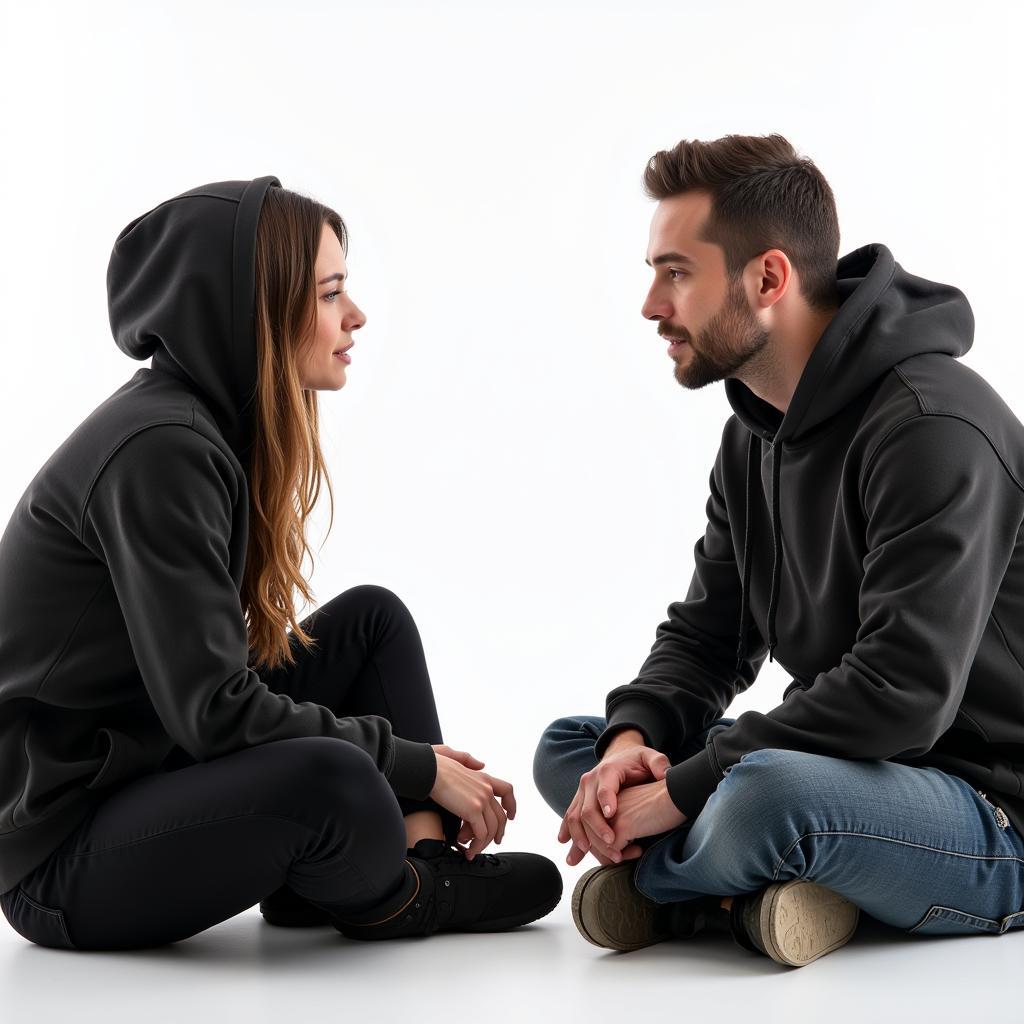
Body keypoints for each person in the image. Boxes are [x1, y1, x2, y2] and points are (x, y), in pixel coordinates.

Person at [0, 175, 561, 951]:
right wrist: (416, 767)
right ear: (252, 308)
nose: (356, 316)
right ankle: (402, 898)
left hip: (151, 771)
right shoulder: (160, 449)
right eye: (330, 294)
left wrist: (406, 775)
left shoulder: (199, 426)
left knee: (371, 622)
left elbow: (207, 709)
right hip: (61, 861)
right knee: (336, 780)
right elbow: (217, 711)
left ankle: (416, 859)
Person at [533, 132, 1024, 968]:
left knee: (765, 797)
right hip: (851, 767)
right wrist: (632, 748)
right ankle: (766, 894)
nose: (653, 304)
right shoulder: (752, 434)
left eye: (676, 273)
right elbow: (705, 640)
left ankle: (683, 891)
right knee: (575, 748)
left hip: (989, 803)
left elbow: (903, 691)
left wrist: (684, 790)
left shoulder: (931, 427)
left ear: (768, 278)